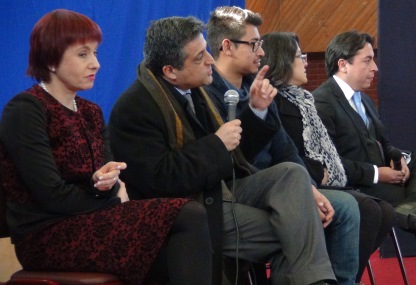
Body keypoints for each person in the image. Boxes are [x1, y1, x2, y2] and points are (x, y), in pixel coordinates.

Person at [108, 15, 335, 285]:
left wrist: (257, 111)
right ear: (170, 70)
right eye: (199, 57)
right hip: (190, 207)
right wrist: (216, 144)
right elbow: (161, 178)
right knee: (297, 231)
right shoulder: (135, 107)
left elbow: (238, 156)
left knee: (292, 173)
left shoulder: (196, 91)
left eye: (206, 50)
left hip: (222, 189)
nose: (210, 61)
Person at [0, 9, 212, 285]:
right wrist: (111, 198)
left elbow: (111, 179)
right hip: (47, 235)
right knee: (188, 214)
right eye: (83, 54)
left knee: (177, 249)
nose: (96, 64)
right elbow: (51, 195)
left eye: (96, 53)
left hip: (89, 220)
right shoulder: (26, 110)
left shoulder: (91, 112)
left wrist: (104, 184)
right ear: (51, 60)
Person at [205, 6, 361, 285]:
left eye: (261, 44)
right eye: (254, 44)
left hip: (280, 187)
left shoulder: (258, 84)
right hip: (237, 189)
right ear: (227, 46)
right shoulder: (206, 91)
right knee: (295, 220)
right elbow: (234, 159)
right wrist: (254, 112)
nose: (261, 52)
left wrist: (310, 191)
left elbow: (284, 145)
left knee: (346, 207)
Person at [313, 30, 416, 285]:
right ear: (343, 64)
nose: (374, 67)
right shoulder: (322, 102)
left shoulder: (364, 100)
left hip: (387, 179)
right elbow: (330, 164)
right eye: (367, 60)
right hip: (360, 187)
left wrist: (398, 159)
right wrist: (378, 173)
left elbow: (384, 143)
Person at [260, 31, 395, 284]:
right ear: (282, 61)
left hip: (324, 178)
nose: (307, 61)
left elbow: (379, 142)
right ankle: (338, 278)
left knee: (384, 210)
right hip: (299, 183)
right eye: (300, 56)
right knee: (362, 207)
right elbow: (286, 153)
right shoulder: (279, 103)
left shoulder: (303, 100)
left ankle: (340, 277)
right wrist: (316, 171)